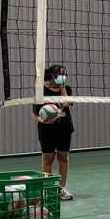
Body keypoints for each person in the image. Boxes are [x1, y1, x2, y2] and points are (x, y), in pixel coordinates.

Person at [34, 63, 75, 201]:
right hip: (46, 128)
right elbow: (35, 113)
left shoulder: (67, 89)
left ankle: (62, 188)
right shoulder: (41, 90)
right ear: (52, 76)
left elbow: (67, 103)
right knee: (47, 159)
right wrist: (43, 120)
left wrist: (62, 88)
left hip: (64, 127)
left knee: (63, 158)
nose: (63, 77)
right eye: (60, 75)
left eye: (65, 75)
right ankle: (47, 188)